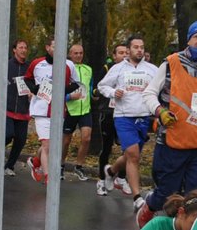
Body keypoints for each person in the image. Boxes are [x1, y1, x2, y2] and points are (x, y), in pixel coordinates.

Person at [140, 21, 197, 227]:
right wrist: (160, 111)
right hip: (174, 138)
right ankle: (150, 205)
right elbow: (148, 93)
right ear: (189, 40)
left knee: (196, 195)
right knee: (167, 193)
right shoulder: (170, 63)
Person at [97, 35, 157, 200]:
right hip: (123, 116)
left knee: (131, 155)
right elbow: (102, 86)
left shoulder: (152, 69)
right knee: (133, 155)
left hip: (144, 117)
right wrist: (113, 93)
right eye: (136, 47)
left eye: (142, 47)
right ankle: (137, 197)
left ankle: (110, 171)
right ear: (129, 50)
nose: (139, 50)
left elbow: (161, 88)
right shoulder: (119, 68)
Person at [23, 38, 81, 184]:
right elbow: (27, 79)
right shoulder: (37, 63)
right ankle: (49, 177)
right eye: (55, 46)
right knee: (47, 145)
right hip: (41, 109)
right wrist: (35, 89)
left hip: (58, 110)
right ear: (48, 47)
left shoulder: (68, 65)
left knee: (51, 146)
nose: (58, 49)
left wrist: (63, 90)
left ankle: (36, 162)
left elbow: (76, 83)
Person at [94, 42, 128, 193]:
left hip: (125, 114)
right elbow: (97, 88)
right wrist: (112, 92)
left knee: (128, 148)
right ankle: (101, 180)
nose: (124, 55)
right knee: (107, 148)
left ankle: (121, 177)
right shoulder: (107, 69)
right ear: (114, 56)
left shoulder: (133, 71)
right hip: (108, 113)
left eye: (126, 52)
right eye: (120, 53)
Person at [63, 41, 94, 181]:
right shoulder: (65, 68)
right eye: (75, 53)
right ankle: (60, 165)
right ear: (70, 54)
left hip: (85, 109)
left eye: (81, 53)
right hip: (69, 109)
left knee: (86, 138)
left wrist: (95, 95)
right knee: (66, 141)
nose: (78, 55)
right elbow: (57, 90)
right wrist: (69, 97)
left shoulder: (88, 69)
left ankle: (79, 167)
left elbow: (91, 86)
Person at [2, 40, 32, 176]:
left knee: (20, 140)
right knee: (8, 135)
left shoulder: (29, 67)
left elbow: (35, 85)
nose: (23, 50)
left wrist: (33, 93)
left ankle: (9, 166)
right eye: (21, 47)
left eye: (25, 47)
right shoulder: (6, 65)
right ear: (14, 50)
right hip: (7, 109)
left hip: (23, 110)